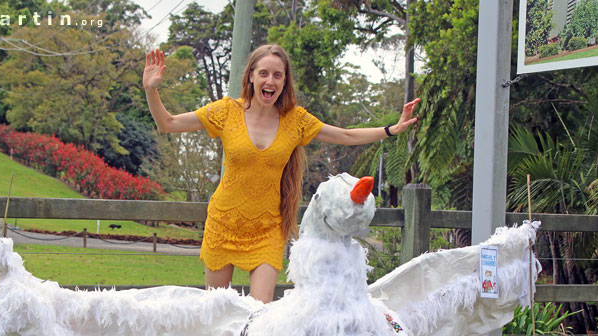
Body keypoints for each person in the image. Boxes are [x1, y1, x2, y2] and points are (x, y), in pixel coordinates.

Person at [144, 44, 419, 303]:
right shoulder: (226, 111)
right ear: (251, 76)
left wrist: (390, 130)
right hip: (223, 224)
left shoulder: (295, 120)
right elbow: (167, 123)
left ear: (285, 81)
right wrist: (151, 90)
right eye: (263, 73)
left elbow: (345, 134)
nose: (270, 81)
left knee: (258, 317)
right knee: (216, 314)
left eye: (278, 75)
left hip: (267, 230)